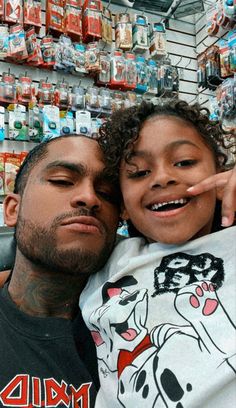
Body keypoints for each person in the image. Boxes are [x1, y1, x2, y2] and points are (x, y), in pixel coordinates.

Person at [79, 100, 236, 408]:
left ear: (220, 174)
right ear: (122, 204)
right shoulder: (111, 259)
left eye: (185, 162)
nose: (162, 178)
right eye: (138, 172)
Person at [0, 134, 121, 407]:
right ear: (13, 209)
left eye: (107, 193)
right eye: (62, 181)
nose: (89, 198)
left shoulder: (141, 326)